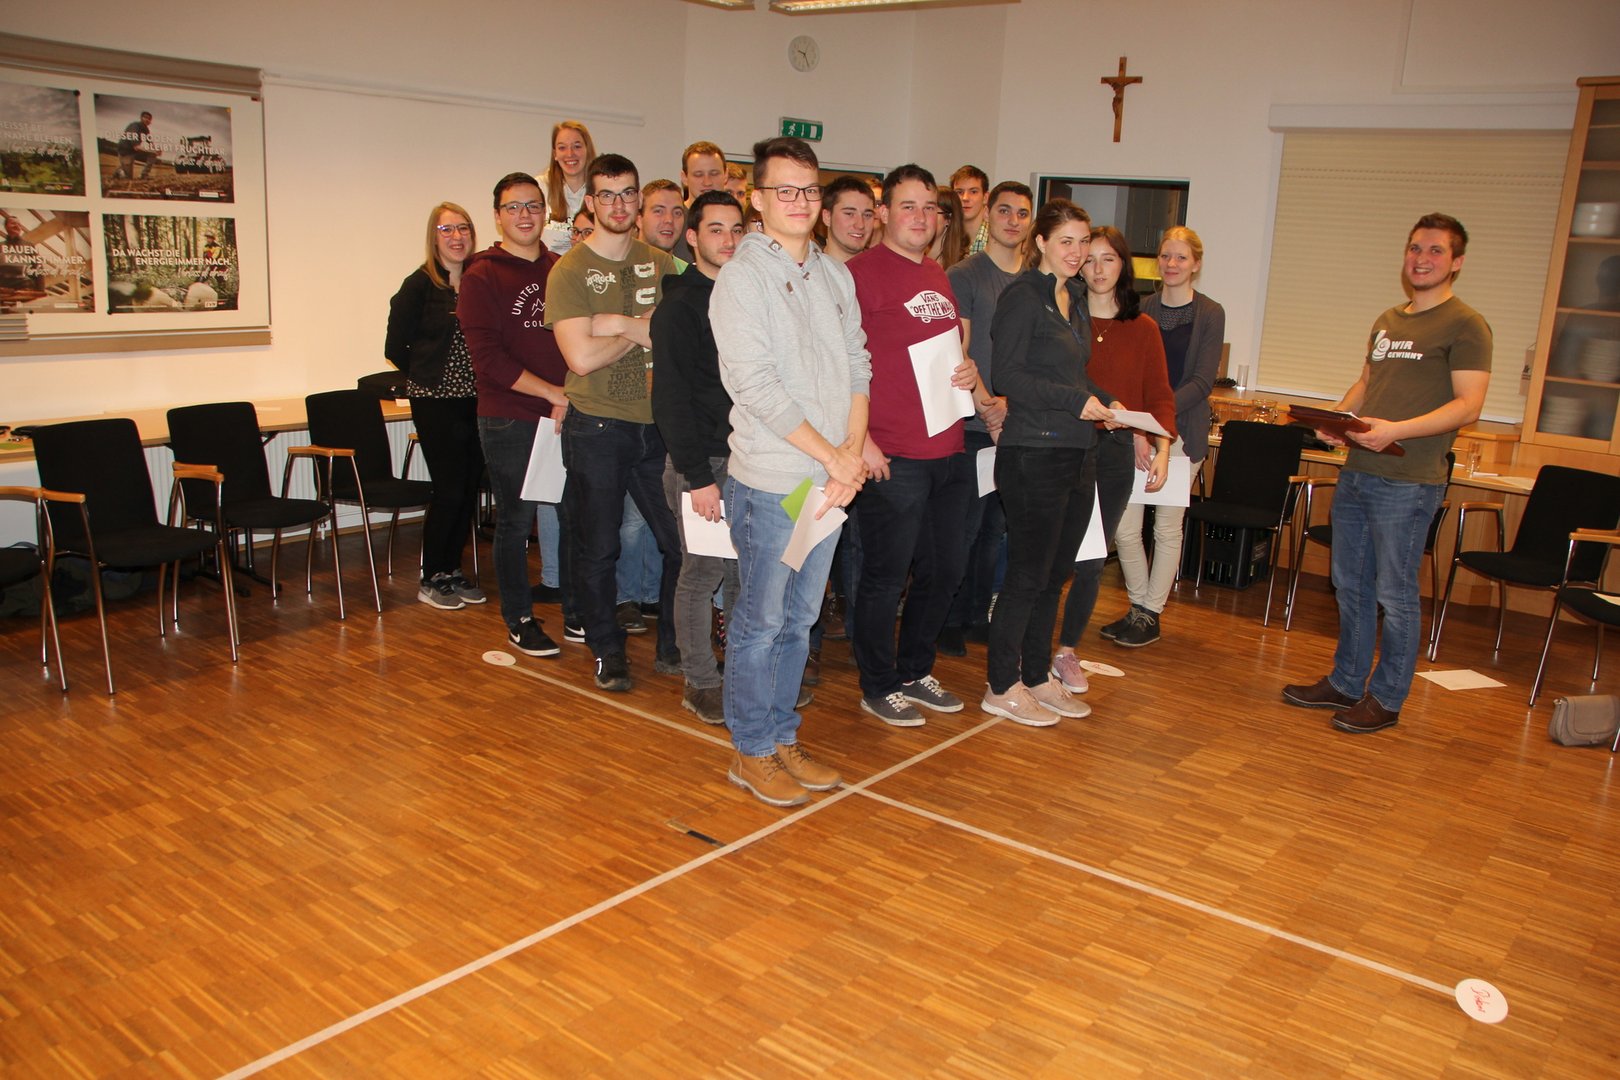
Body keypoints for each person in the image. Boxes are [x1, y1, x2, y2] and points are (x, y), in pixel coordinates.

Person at [1283, 212, 1491, 734]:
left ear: (1457, 262)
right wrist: (1337, 420)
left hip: (1410, 479)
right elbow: (1366, 382)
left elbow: (1468, 405)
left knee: (1394, 594)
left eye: (1436, 250)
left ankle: (1388, 697)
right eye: (1415, 248)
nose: (1422, 258)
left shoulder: (1466, 325)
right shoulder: (1388, 320)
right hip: (1359, 470)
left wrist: (1397, 429)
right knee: (1349, 584)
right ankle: (1346, 681)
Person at [710, 136, 871, 807]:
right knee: (761, 621)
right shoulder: (741, 278)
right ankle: (751, 751)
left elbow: (858, 364)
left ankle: (781, 737)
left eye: (808, 190)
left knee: (801, 618)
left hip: (828, 486)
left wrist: (850, 455)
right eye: (785, 190)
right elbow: (757, 388)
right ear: (758, 198)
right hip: (777, 484)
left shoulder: (834, 274)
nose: (799, 201)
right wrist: (833, 457)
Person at [847, 164, 980, 727]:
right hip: (893, 455)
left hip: (949, 447)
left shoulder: (936, 273)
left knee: (945, 571)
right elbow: (836, 364)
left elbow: (938, 350)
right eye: (908, 206)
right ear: (883, 213)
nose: (921, 217)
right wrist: (862, 440)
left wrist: (968, 370)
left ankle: (914, 670)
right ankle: (877, 684)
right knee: (885, 577)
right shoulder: (856, 274)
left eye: (929, 207)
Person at [546, 153, 682, 692]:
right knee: (599, 547)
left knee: (681, 543)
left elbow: (674, 338)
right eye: (607, 195)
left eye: (628, 194)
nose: (619, 205)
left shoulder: (663, 264)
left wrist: (615, 324)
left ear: (638, 199)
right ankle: (607, 649)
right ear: (591, 201)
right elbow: (580, 359)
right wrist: (639, 327)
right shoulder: (570, 271)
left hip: (658, 428)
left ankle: (673, 647)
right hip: (597, 428)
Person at [982, 199, 1116, 726]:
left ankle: (1037, 676)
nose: (1077, 252)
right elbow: (1008, 377)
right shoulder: (1023, 297)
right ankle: (1001, 685)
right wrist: (1075, 401)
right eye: (1066, 241)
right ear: (1040, 242)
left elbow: (1073, 377)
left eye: (1083, 242)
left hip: (1077, 453)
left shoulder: (1073, 297)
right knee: (1027, 575)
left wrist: (1109, 402)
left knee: (1056, 573)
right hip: (1033, 454)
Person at [1050, 227, 1174, 687]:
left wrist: (1160, 446)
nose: (1098, 269)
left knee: (1090, 560)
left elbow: (1159, 395)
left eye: (1109, 259)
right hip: (1063, 445)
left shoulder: (1144, 329)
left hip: (1115, 455)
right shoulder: (1065, 318)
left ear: (1124, 266)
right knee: (1051, 555)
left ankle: (1067, 651)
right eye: (1090, 259)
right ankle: (1031, 648)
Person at [459, 172, 571, 658]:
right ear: (497, 216)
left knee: (572, 516)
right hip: (511, 417)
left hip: (564, 414)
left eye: (533, 205)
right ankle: (520, 619)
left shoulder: (561, 268)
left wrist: (567, 397)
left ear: (545, 212)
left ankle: (576, 611)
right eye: (514, 207)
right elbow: (487, 360)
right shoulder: (481, 275)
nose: (525, 215)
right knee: (516, 520)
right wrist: (552, 393)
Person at [1103, 226, 1224, 648]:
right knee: (1125, 529)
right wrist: (1140, 428)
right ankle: (1138, 606)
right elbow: (1130, 375)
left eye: (1181, 257)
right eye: (1166, 256)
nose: (1171, 264)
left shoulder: (1210, 313)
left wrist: (1157, 417)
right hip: (1139, 433)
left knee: (1167, 529)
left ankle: (1151, 612)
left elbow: (1202, 381)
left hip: (1183, 433)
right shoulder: (1141, 308)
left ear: (1196, 264)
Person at [651, 190, 745, 723]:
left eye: (736, 229)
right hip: (702, 466)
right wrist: (697, 477)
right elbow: (670, 400)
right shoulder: (680, 308)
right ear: (692, 237)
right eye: (715, 229)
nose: (728, 240)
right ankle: (700, 682)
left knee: (742, 576)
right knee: (702, 575)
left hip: (747, 461)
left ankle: (741, 675)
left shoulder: (744, 298)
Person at [938, 180, 1033, 655]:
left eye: (1022, 213)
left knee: (996, 530)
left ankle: (977, 615)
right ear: (989, 214)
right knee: (965, 530)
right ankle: (948, 620)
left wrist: (1010, 406)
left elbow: (1038, 356)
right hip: (974, 425)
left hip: (1018, 424)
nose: (1013, 221)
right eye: (1005, 210)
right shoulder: (965, 274)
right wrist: (989, 406)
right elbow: (958, 349)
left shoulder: (1036, 280)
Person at [385, 202, 487, 611]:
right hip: (435, 401)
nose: (457, 237)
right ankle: (432, 576)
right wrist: (428, 375)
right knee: (449, 489)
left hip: (477, 399)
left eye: (463, 228)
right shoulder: (419, 285)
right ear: (434, 237)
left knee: (469, 487)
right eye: (447, 230)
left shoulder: (480, 280)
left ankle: (453, 569)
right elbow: (395, 346)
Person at [540, 121, 595, 255]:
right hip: (549, 266)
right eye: (562, 148)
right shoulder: (540, 187)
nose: (570, 154)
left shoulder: (601, 190)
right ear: (555, 154)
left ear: (587, 150)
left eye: (577, 146)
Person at [818, 175, 875, 264]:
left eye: (867, 215)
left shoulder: (884, 270)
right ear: (827, 217)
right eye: (849, 214)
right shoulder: (807, 270)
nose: (860, 225)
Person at [951, 165, 990, 255]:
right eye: (959, 192)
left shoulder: (996, 239)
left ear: (985, 197)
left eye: (973, 192)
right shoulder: (944, 237)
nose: (965, 198)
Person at [928, 184, 968, 273]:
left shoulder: (963, 267)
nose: (923, 218)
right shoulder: (913, 257)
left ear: (948, 220)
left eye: (931, 211)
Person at [115, 110, 155, 179]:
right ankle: (119, 170)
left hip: (134, 151)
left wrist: (155, 149)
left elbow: (149, 141)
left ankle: (144, 175)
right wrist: (137, 145)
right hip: (125, 151)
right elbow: (134, 141)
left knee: (153, 153)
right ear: (141, 118)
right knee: (128, 177)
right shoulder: (134, 126)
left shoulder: (146, 129)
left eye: (149, 119)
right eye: (145, 117)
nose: (147, 120)